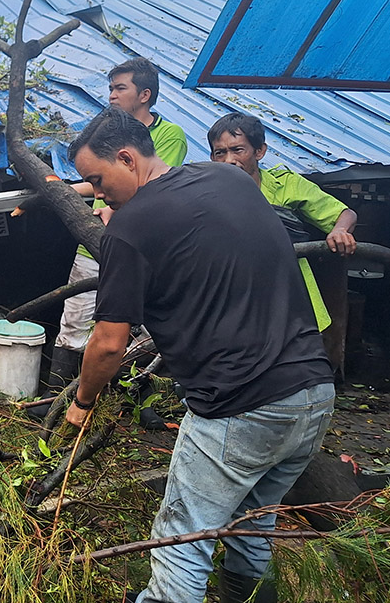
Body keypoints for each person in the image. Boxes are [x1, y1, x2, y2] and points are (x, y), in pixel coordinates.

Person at [65, 107, 335, 603]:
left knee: (180, 542)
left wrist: (82, 401)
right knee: (251, 527)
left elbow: (107, 343)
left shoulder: (129, 230)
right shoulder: (227, 179)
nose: (97, 194)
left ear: (127, 158)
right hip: (313, 391)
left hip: (239, 403)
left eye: (97, 181)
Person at [48, 57, 187, 390]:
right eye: (110, 88)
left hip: (136, 246)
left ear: (145, 94)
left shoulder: (167, 136)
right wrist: (58, 189)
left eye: (120, 88)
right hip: (94, 244)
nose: (112, 95)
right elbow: (98, 180)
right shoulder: (101, 133)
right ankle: (55, 395)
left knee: (135, 329)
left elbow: (153, 187)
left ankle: (129, 397)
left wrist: (119, 215)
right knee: (76, 319)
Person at [208, 112, 358, 334]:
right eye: (220, 153)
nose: (229, 160)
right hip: (235, 307)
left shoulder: (285, 184)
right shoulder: (204, 195)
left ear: (260, 151)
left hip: (293, 304)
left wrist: (340, 231)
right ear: (212, 158)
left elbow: (344, 214)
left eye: (238, 150)